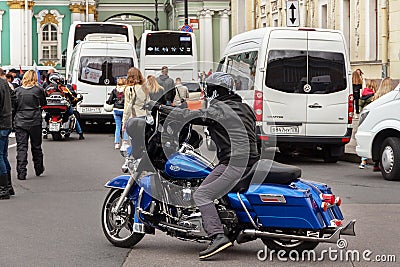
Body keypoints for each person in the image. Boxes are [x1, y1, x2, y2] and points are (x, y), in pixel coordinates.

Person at [148, 72, 260, 259]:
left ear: (215, 91)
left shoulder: (221, 109)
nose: (206, 93)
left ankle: (217, 235)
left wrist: (160, 108)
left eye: (208, 90)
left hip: (234, 164)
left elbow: (191, 115)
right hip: (250, 161)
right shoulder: (244, 107)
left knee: (202, 194)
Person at [12, 70, 47, 180]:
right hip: (35, 120)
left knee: (21, 147)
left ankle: (21, 172)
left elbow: (14, 107)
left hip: (20, 120)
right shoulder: (38, 90)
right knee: (36, 146)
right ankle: (38, 168)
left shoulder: (17, 91)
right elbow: (44, 103)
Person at [359, 77, 393, 171]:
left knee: (377, 140)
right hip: (388, 121)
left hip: (376, 122)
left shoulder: (376, 96)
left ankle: (367, 162)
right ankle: (378, 164)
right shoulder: (391, 96)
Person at [46, 73, 85, 140]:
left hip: (49, 107)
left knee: (45, 115)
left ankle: (45, 131)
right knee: (73, 116)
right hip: (62, 107)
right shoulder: (63, 88)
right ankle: (80, 133)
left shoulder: (47, 88)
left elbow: (43, 97)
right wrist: (77, 99)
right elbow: (71, 97)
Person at [0, 78, 14, 199]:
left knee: (0, 157)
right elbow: (14, 98)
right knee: (3, 155)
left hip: (1, 124)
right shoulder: (4, 82)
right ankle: (8, 186)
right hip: (6, 122)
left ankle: (3, 188)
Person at [106, 78, 127, 149]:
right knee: (125, 126)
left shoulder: (114, 90)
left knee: (117, 127)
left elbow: (110, 100)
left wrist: (109, 102)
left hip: (116, 109)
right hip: (124, 110)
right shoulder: (126, 90)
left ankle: (117, 143)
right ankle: (124, 142)